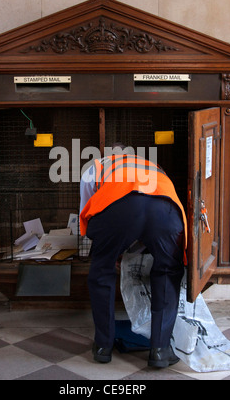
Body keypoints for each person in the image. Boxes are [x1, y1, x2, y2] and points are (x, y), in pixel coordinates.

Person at [79, 145, 187, 369]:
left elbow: (90, 215)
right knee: (168, 272)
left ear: (111, 157)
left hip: (118, 209)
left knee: (101, 272)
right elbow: (148, 218)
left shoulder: (96, 167)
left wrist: (111, 251)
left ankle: (103, 347)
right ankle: (160, 350)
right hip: (166, 210)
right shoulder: (154, 167)